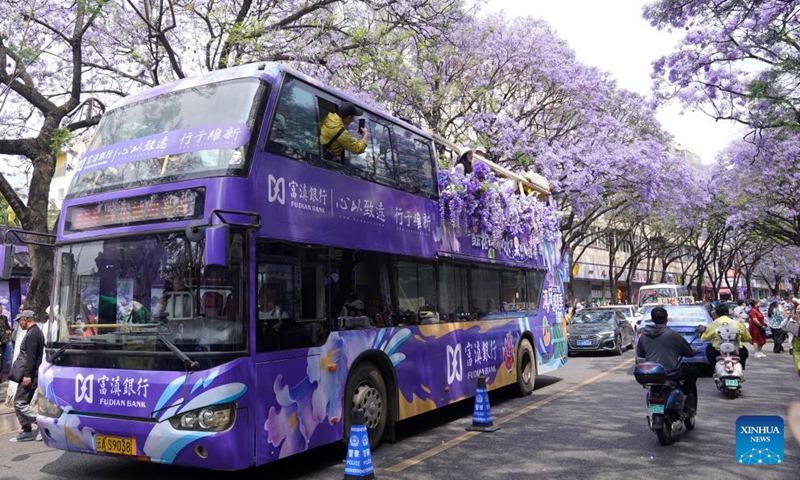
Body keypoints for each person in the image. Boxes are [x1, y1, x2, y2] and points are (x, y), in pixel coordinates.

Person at [635, 306, 699, 407]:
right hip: (671, 373)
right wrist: (696, 351)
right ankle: (686, 397)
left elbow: (641, 354)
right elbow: (689, 352)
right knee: (693, 371)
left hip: (652, 374)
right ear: (666, 319)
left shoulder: (644, 335)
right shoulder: (673, 335)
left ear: (652, 319)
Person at [8, 310, 45, 442]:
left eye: (19, 321)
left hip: (30, 375)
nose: (18, 324)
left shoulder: (33, 334)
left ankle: (42, 424)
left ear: (25, 319)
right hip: (28, 374)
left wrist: (28, 375)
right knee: (21, 402)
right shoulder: (32, 332)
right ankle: (27, 430)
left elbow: (32, 357)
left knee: (19, 402)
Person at [700, 303, 751, 370]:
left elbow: (704, 339)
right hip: (736, 351)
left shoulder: (713, 324)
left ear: (716, 313)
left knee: (708, 349)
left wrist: (703, 332)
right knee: (744, 351)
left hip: (718, 351)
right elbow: (748, 338)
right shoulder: (737, 323)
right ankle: (741, 367)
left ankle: (715, 368)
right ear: (728, 312)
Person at [0, 303, 10, 383]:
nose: (1, 309)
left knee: (1, 361)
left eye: (1, 308)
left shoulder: (4, 318)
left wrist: (8, 331)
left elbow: (8, 328)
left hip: (3, 343)